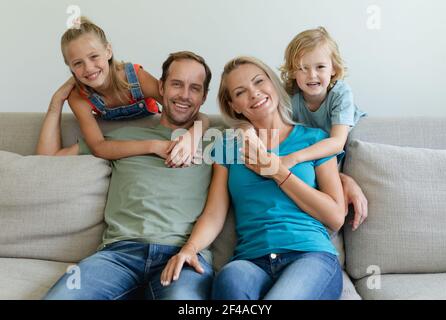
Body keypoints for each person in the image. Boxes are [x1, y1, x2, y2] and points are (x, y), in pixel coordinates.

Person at [160, 56, 345, 300]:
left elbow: (335, 216)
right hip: (250, 261)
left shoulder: (316, 140)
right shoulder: (227, 146)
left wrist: (277, 171)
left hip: (310, 255)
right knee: (229, 280)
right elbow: (215, 213)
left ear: (273, 83)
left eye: (259, 82)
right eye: (241, 92)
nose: (255, 93)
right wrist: (190, 249)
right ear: (234, 105)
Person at [41, 51, 215, 300]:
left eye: (195, 88)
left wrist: (199, 130)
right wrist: (56, 103)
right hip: (119, 254)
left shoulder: (216, 142)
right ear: (161, 87)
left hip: (183, 256)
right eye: (177, 84)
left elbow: (258, 132)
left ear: (204, 96)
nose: (185, 95)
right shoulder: (120, 138)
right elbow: (46, 161)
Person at [40, 16, 207, 167]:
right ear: (70, 67)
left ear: (108, 51)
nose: (89, 68)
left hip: (150, 128)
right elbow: (95, 147)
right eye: (77, 63)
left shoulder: (135, 78)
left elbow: (193, 114)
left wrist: (191, 138)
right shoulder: (79, 97)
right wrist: (56, 101)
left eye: (94, 56)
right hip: (114, 138)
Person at [280, 27, 368, 230]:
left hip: (338, 146)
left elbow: (337, 143)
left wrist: (295, 157)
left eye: (320, 67)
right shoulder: (290, 99)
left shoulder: (340, 93)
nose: (312, 75)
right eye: (303, 68)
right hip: (316, 156)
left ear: (334, 69)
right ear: (293, 72)